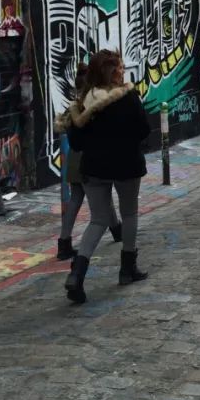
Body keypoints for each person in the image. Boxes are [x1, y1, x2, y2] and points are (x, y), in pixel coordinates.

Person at [60, 50, 151, 304]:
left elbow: (76, 142)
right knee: (129, 213)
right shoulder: (128, 97)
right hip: (126, 165)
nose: (123, 71)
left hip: (94, 168)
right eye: (120, 67)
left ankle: (77, 274)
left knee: (98, 220)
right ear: (111, 73)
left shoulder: (85, 101)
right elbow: (144, 129)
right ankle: (127, 268)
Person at [54, 62, 122, 260]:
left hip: (75, 158)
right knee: (103, 196)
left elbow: (64, 127)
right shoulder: (92, 105)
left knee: (77, 199)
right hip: (90, 158)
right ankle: (117, 230)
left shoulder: (74, 106)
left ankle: (64, 242)